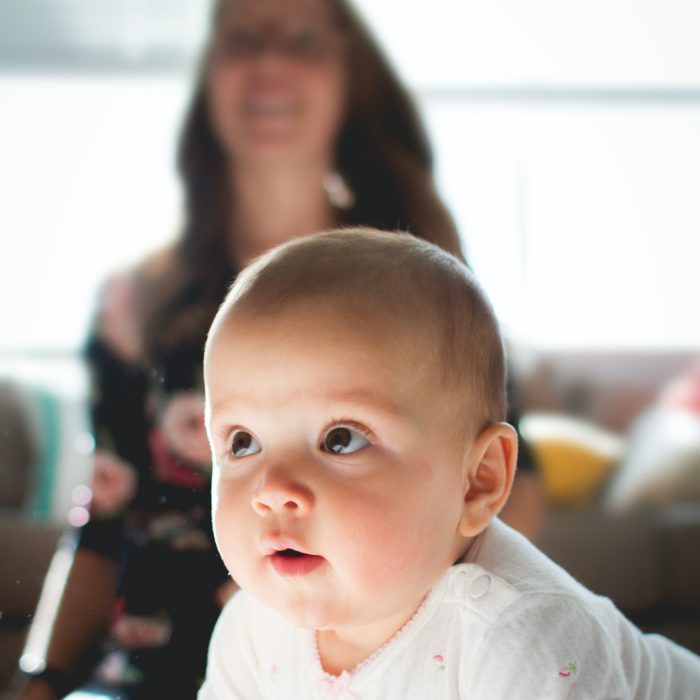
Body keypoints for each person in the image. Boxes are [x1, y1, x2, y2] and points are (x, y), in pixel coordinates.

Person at [18, 1, 539, 698]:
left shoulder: (424, 288)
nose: (270, 62)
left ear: (349, 77)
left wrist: (390, 632)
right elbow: (102, 522)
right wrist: (39, 678)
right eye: (242, 41)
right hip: (146, 671)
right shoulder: (135, 301)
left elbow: (510, 488)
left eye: (300, 40)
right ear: (209, 79)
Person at [199, 229, 700, 699]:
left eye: (341, 439)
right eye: (242, 442)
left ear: (478, 482)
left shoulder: (521, 636)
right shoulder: (252, 630)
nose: (272, 488)